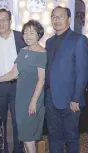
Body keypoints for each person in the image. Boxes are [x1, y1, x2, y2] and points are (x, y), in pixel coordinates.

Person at [0, 20, 46, 153]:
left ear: (39, 35)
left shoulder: (42, 53)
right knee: (23, 137)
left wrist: (33, 102)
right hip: (21, 98)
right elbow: (13, 73)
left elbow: (41, 80)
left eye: (32, 33)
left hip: (33, 99)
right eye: (26, 33)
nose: (28, 36)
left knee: (29, 138)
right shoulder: (23, 51)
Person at [45, 6, 88, 153]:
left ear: (69, 19)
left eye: (61, 16)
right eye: (54, 17)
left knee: (71, 137)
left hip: (70, 100)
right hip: (50, 98)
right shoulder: (49, 42)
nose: (56, 20)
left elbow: (82, 71)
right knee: (54, 136)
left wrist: (76, 98)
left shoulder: (79, 40)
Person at [0, 8, 26, 153]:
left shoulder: (21, 37)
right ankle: (2, 149)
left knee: (18, 122)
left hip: (18, 85)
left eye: (4, 19)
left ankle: (18, 150)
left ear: (10, 21)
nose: (1, 23)